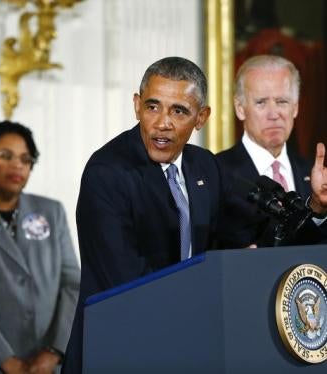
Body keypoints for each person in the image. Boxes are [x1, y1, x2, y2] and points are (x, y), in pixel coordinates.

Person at [62, 56, 327, 373]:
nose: (163, 122)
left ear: (201, 117)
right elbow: (125, 280)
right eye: (153, 106)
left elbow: (255, 237)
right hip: (120, 349)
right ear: (136, 105)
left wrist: (315, 207)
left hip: (182, 348)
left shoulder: (204, 166)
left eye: (179, 111)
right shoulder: (107, 172)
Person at [0, 121, 80, 374]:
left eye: (26, 159)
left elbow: (72, 284)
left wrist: (54, 352)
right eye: (5, 155)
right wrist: (6, 360)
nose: (17, 165)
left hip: (47, 366)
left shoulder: (51, 212)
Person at [216, 54, 314, 248]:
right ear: (240, 108)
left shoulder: (312, 174)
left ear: (295, 108)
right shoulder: (216, 172)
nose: (274, 114)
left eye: (282, 102)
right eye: (261, 102)